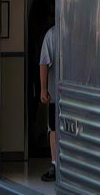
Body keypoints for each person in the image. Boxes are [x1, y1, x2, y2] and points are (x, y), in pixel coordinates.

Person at [39, 24, 58, 182]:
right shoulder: (52, 34)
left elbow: (44, 62)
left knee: (54, 129)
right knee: (54, 128)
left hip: (59, 93)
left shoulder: (51, 34)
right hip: (56, 93)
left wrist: (44, 89)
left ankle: (56, 165)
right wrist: (43, 89)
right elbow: (44, 63)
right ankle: (55, 163)